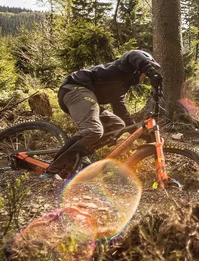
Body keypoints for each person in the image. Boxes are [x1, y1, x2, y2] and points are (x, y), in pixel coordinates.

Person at [44, 50, 163, 178]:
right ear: (137, 70)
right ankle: (54, 168)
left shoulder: (121, 89)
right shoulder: (122, 68)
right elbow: (133, 54)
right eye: (144, 74)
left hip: (84, 98)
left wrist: (141, 135)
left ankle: (79, 155)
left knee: (117, 125)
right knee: (94, 130)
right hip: (75, 88)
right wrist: (151, 72)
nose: (144, 78)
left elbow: (123, 115)